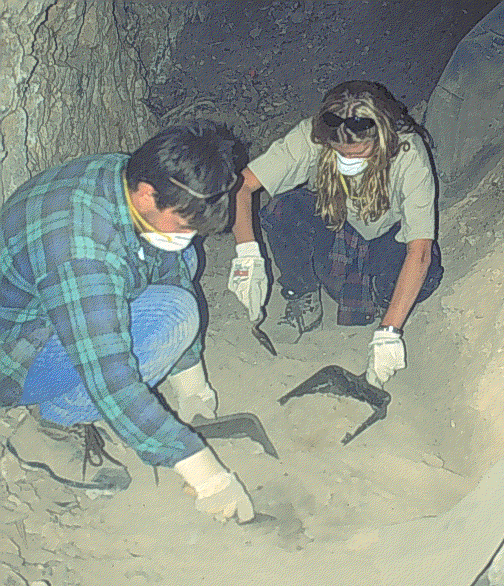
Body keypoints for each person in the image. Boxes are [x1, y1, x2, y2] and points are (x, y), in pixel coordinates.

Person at [0, 121, 254, 523]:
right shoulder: (79, 247)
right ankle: (51, 421)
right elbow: (111, 376)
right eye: (185, 222)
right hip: (16, 354)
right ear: (147, 194)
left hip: (58, 309)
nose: (188, 233)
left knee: (181, 255)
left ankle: (114, 408)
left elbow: (168, 264)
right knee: (174, 315)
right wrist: (202, 470)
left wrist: (191, 384)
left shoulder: (129, 177)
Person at [228, 80, 443, 387]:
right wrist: (246, 254)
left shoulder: (408, 153)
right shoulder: (312, 136)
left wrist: (390, 333)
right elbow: (242, 186)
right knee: (282, 211)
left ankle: (384, 306)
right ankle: (304, 296)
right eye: (340, 151)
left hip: (386, 236)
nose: (348, 160)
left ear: (382, 136)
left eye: (359, 152)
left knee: (413, 278)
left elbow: (419, 250)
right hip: (337, 223)